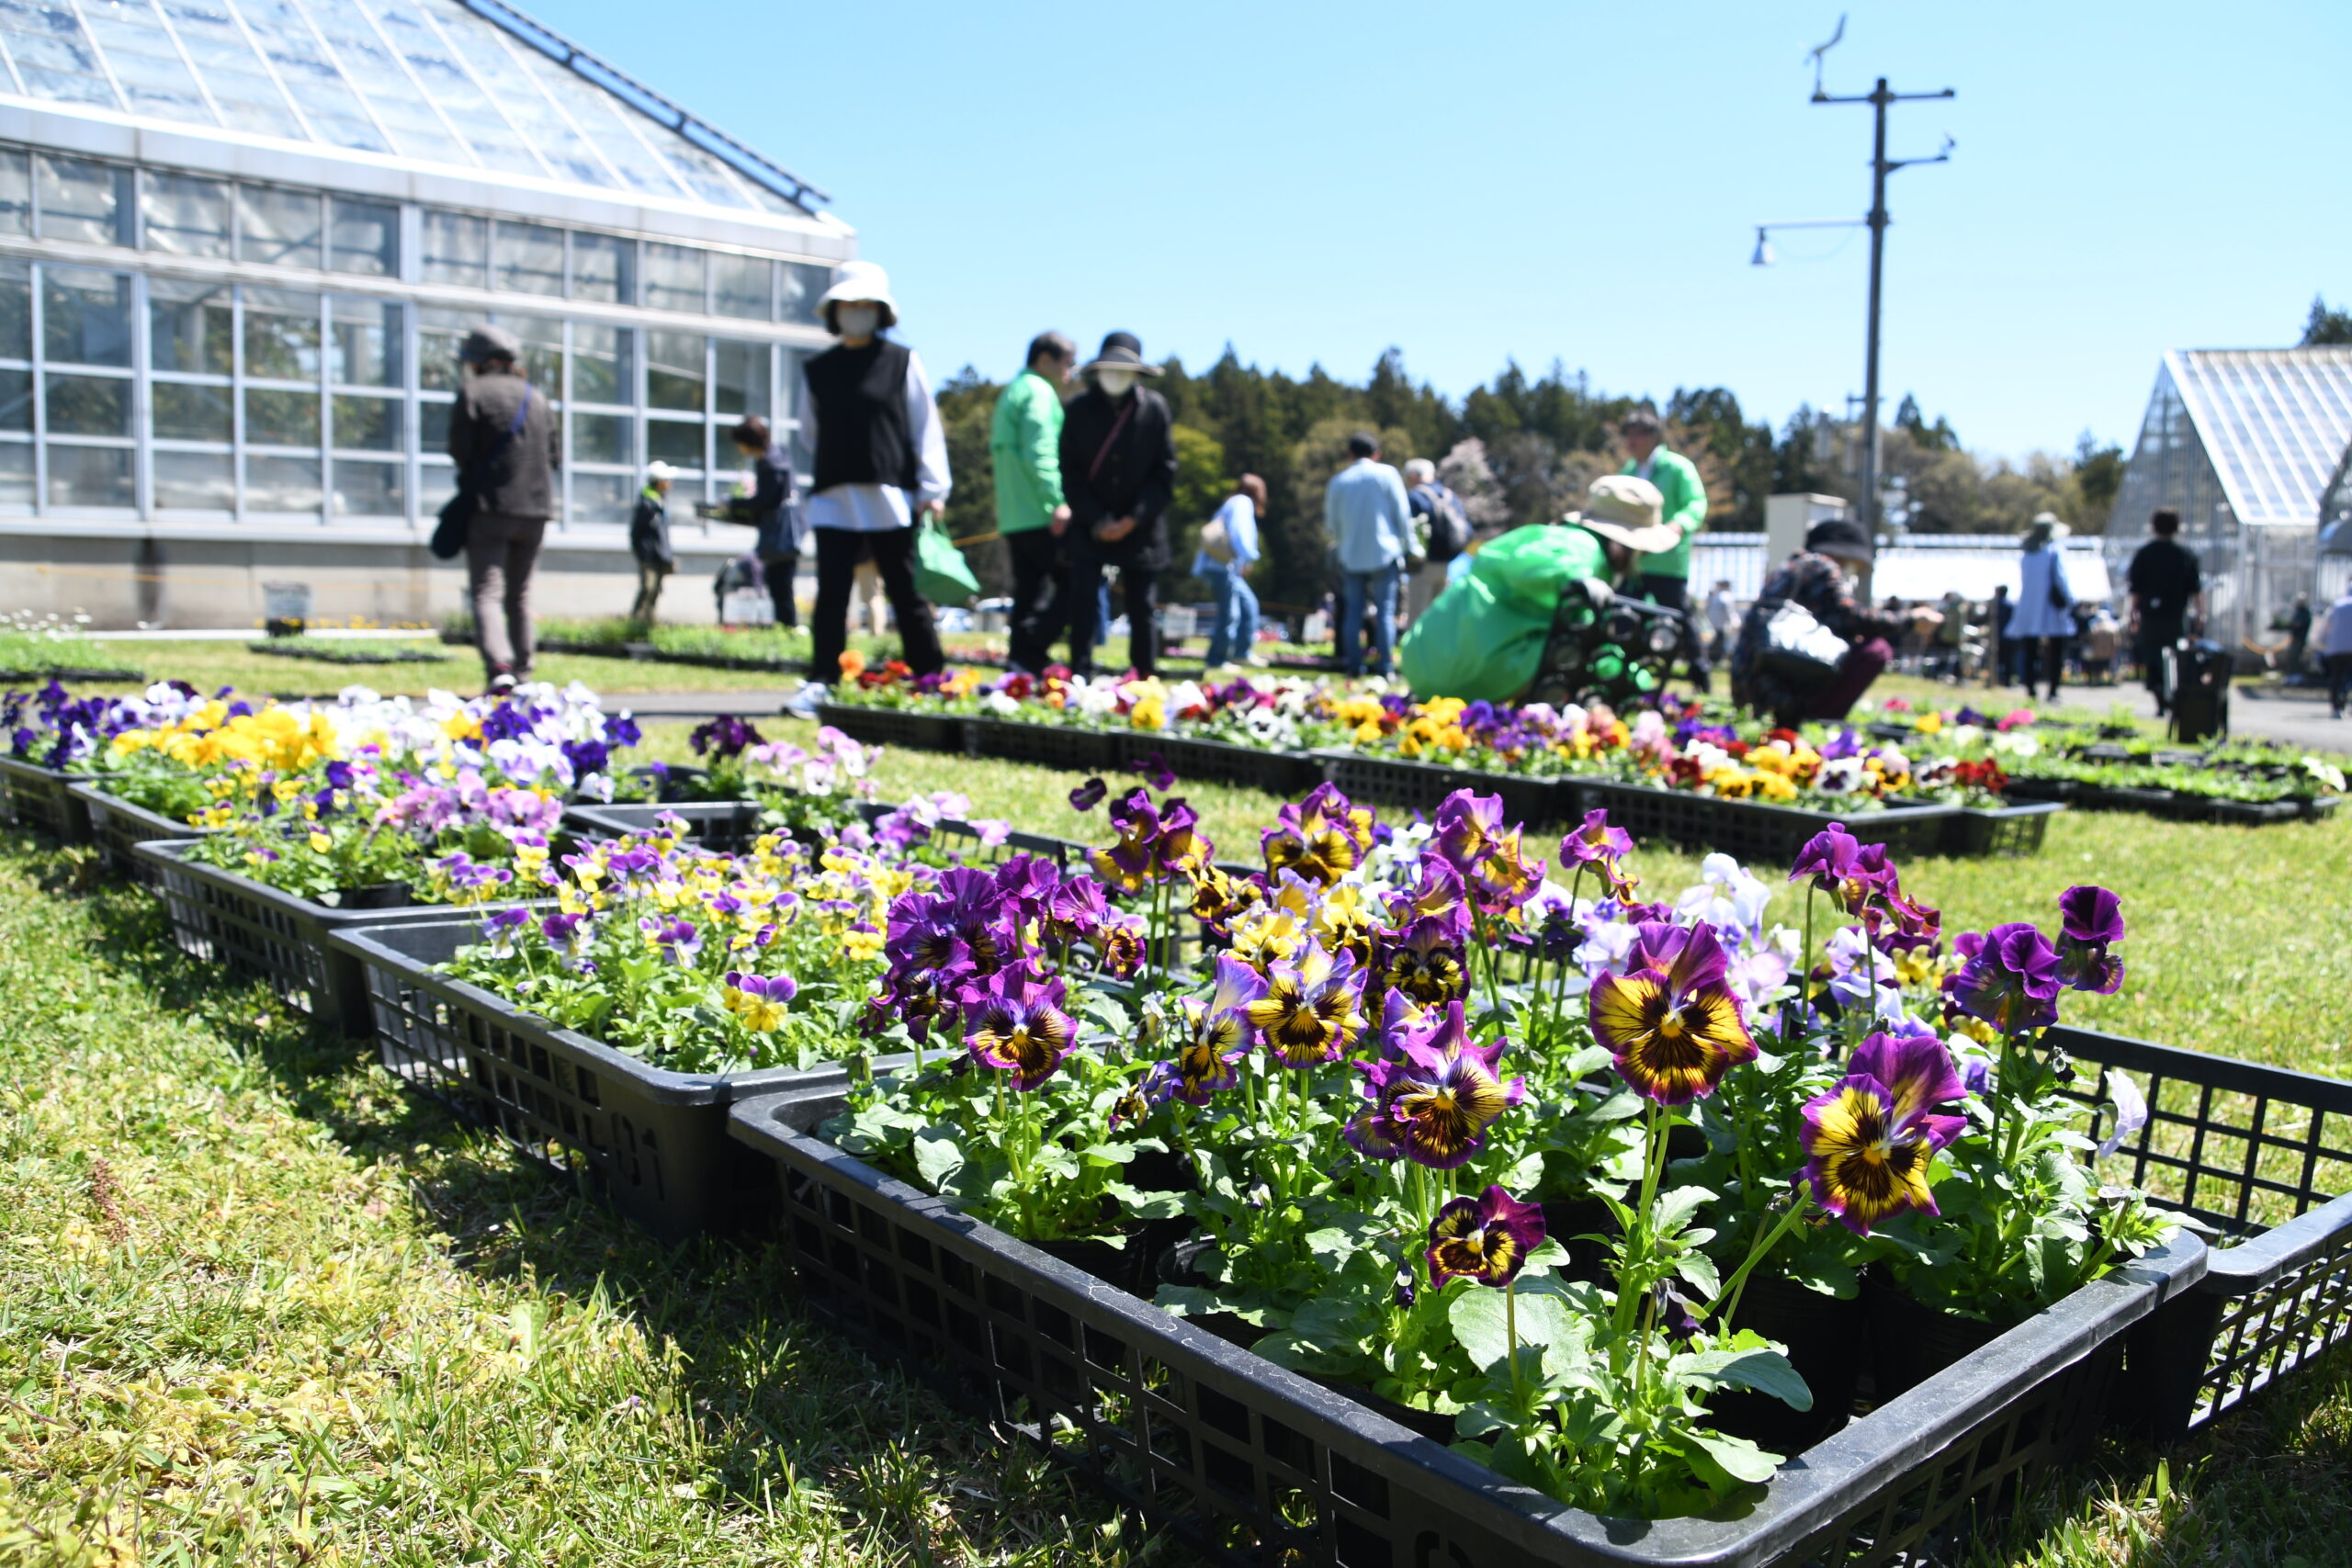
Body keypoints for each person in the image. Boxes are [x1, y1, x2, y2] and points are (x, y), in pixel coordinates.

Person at [786, 262, 948, 713]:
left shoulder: (902, 361)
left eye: (865, 305)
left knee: (904, 589)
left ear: (880, 311)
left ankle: (929, 677)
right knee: (832, 592)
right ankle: (824, 677)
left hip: (891, 494)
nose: (857, 312)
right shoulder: (818, 369)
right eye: (848, 305)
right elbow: (809, 431)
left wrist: (932, 486)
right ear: (834, 312)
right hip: (834, 496)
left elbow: (924, 426)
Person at [1398, 475, 1676, 703]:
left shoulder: (1560, 537)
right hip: (1468, 671)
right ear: (1620, 543)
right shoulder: (1581, 548)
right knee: (1573, 656)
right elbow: (1533, 568)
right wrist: (1576, 578)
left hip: (1429, 657)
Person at [447, 323, 560, 694]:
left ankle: (499, 667)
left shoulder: (473, 394)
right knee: (520, 594)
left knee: (487, 592)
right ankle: (524, 670)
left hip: (491, 509)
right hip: (537, 510)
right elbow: (554, 456)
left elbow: (460, 452)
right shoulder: (537, 397)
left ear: (483, 362)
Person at [1061, 332, 1177, 677]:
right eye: (1109, 369)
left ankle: (1143, 678)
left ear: (1138, 374)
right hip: (1089, 524)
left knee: (1141, 607)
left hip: (1141, 528)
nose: (1115, 376)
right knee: (1081, 602)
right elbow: (1070, 473)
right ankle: (1078, 675)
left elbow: (1165, 474)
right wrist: (1097, 519)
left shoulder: (1154, 409)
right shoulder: (1079, 409)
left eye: (1123, 370)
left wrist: (1133, 518)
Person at [1729, 518, 1908, 727]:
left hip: (1749, 686)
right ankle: (1819, 720)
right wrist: (1909, 620)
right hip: (1785, 694)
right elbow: (1854, 619)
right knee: (1876, 650)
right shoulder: (1822, 566)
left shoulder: (1787, 567)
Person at [990, 332, 1075, 673]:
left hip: (1014, 513)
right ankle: (1031, 650)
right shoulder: (1039, 393)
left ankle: (1021, 659)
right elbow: (1040, 450)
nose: (1070, 373)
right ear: (1044, 360)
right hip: (1041, 511)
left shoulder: (1013, 391)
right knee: (1074, 583)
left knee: (1028, 591)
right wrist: (1056, 500)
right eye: (1067, 364)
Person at [1325, 433, 1414, 676]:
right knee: (1385, 613)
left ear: (1350, 454)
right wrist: (1411, 546)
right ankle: (1385, 668)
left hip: (1350, 556)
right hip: (1385, 554)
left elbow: (1331, 526)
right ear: (1377, 454)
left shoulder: (1339, 481)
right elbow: (1402, 515)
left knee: (1352, 613)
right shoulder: (1387, 474)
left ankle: (1354, 666)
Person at [708, 414, 800, 628]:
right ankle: (784, 627)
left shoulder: (770, 462)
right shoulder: (777, 455)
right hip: (784, 532)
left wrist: (733, 502)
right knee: (779, 584)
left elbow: (766, 500)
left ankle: (787, 628)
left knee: (781, 586)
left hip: (779, 535)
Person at [1616, 410, 1708, 612]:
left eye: (1638, 434)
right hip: (1633, 564)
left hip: (1667, 562)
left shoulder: (1678, 467)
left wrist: (1679, 524)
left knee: (1677, 621)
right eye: (1628, 435)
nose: (1632, 441)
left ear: (1653, 436)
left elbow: (1696, 502)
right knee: (1621, 620)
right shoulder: (1627, 472)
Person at [2127, 507, 2205, 716]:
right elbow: (2196, 589)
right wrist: (2200, 615)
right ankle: (2171, 696)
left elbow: (2136, 589)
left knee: (2153, 658)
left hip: (2152, 618)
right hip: (2175, 617)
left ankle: (2161, 698)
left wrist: (2133, 614)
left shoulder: (2145, 554)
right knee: (2174, 658)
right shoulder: (2184, 554)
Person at [1195, 474, 1266, 668]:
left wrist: (1243, 560)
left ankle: (1241, 653)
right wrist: (1250, 556)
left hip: (1225, 566)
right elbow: (1239, 533)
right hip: (1221, 566)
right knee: (1229, 613)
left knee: (1248, 605)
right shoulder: (1242, 502)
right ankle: (1216, 660)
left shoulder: (1232, 502)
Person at [2008, 513, 2075, 701]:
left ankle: (2030, 688)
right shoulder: (2055, 549)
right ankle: (2053, 690)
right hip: (2051, 608)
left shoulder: (2027, 552)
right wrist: (2070, 600)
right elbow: (2061, 578)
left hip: (2029, 607)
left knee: (2030, 650)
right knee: (2056, 651)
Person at [1402, 457, 1466, 626]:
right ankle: (1439, 651)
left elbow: (1406, 529)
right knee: (1440, 616)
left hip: (1422, 564)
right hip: (1448, 563)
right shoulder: (1449, 495)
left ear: (1414, 475)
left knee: (1418, 616)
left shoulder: (1415, 496)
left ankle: (1415, 651)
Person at [628, 460, 676, 624]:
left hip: (659, 556)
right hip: (649, 557)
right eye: (667, 480)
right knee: (648, 589)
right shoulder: (647, 504)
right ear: (659, 482)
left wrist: (668, 556)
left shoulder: (658, 503)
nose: (670, 484)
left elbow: (662, 535)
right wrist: (643, 555)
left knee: (655, 591)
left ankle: (649, 624)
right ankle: (636, 623)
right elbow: (636, 534)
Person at [2323, 581, 2352, 718]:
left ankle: (2336, 707)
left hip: (2336, 649)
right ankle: (2346, 700)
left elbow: (2326, 625)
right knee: (2349, 678)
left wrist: (2322, 643)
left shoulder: (2337, 604)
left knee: (2336, 677)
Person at [1703, 580, 1736, 666]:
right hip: (1721, 625)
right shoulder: (1726, 596)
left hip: (1711, 624)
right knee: (1719, 644)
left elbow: (1706, 609)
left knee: (1714, 644)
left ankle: (1712, 661)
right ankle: (1716, 661)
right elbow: (1728, 611)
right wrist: (1733, 622)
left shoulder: (1715, 595)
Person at [1986, 583, 2014, 687]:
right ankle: (2006, 681)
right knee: (2008, 660)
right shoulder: (2010, 605)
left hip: (1997, 637)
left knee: (1997, 660)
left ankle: (1996, 679)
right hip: (2008, 637)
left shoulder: (1995, 604)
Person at [2285, 592, 2313, 680]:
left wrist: (2289, 625)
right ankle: (2292, 675)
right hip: (2295, 638)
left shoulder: (2305, 613)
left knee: (2296, 657)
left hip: (2300, 639)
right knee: (2291, 657)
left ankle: (2297, 676)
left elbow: (2299, 624)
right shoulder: (2298, 611)